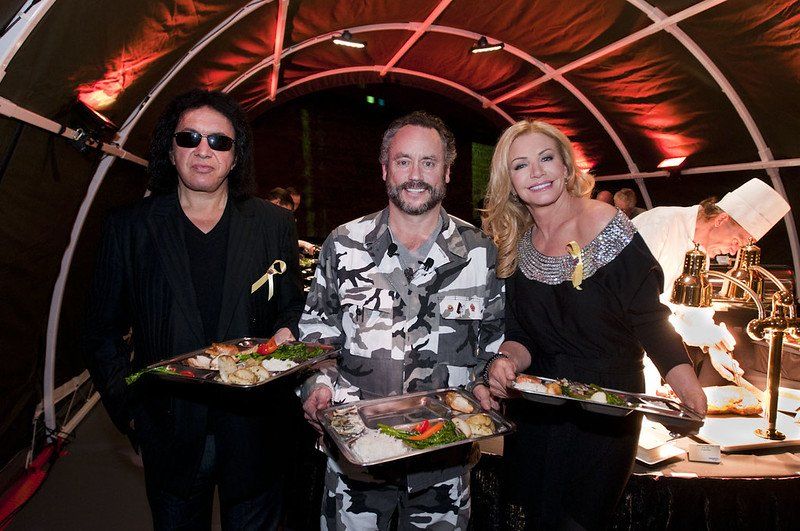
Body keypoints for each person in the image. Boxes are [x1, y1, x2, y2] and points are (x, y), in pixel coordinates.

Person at [83, 89, 305, 530]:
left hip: (256, 429)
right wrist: (132, 412)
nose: (204, 150)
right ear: (171, 150)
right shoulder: (129, 227)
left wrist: (287, 331)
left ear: (236, 156)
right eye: (190, 138)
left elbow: (293, 304)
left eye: (219, 141)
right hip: (169, 431)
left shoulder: (273, 224)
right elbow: (100, 331)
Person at [476, 120, 706, 529]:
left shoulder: (609, 226)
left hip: (605, 409)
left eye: (546, 158)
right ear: (509, 182)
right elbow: (522, 335)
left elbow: (650, 320)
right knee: (534, 518)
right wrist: (505, 361)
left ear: (566, 167)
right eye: (520, 165)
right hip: (538, 405)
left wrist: (687, 386)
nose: (537, 172)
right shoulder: (517, 244)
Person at [299, 111, 504, 530]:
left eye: (428, 163)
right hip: (356, 460)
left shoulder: (480, 252)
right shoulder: (344, 244)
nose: (415, 175)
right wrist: (317, 385)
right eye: (403, 161)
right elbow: (317, 337)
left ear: (447, 172)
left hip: (445, 465)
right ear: (384, 169)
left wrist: (490, 382)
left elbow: (492, 345)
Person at [633, 179, 790, 385]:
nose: (734, 252)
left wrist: (713, 345)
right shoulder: (660, 224)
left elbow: (688, 309)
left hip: (650, 354)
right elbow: (638, 305)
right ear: (721, 219)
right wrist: (698, 335)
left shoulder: (702, 254)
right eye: (737, 241)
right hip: (618, 347)